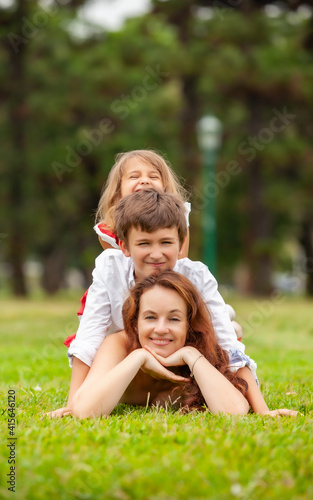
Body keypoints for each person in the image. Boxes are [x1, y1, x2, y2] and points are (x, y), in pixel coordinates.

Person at [50, 190, 290, 418]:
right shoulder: (119, 336)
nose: (156, 254)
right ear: (124, 246)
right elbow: (88, 340)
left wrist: (191, 354)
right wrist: (138, 358)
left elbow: (231, 368)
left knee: (224, 329)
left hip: (198, 331)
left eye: (165, 243)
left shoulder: (196, 284)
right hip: (134, 341)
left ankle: (224, 319)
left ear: (181, 244)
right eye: (144, 244)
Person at [71, 270, 250, 419]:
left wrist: (191, 355)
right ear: (135, 323)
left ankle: (230, 324)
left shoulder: (202, 349)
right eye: (150, 317)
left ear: (188, 325)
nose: (161, 328)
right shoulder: (119, 344)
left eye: (174, 318)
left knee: (228, 331)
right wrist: (138, 356)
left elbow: (235, 412)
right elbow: (84, 412)